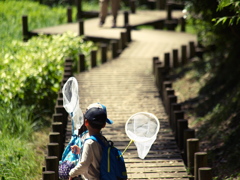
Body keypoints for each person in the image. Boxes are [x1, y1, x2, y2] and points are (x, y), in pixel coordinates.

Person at [68, 103, 113, 180]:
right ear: (104, 125)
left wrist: (71, 173)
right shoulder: (103, 139)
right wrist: (81, 150)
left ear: (86, 122)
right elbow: (96, 156)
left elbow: (84, 165)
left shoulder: (89, 143)